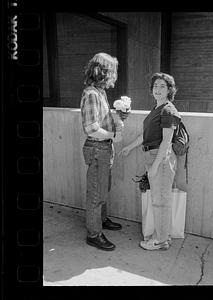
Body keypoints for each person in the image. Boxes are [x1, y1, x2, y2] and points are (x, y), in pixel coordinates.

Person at [119, 72, 181, 251]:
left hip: (160, 159)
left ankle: (161, 241)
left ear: (170, 89)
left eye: (162, 86)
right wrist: (130, 147)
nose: (158, 89)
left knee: (160, 201)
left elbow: (166, 141)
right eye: (155, 86)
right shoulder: (157, 108)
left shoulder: (168, 110)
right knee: (159, 200)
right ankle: (164, 237)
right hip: (153, 157)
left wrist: (154, 167)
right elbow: (145, 135)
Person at [80, 53, 124, 251]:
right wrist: (113, 136)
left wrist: (120, 116)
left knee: (103, 189)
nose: (114, 75)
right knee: (96, 193)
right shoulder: (90, 93)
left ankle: (101, 220)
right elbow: (90, 128)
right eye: (112, 71)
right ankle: (94, 234)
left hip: (105, 148)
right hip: (98, 148)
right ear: (103, 72)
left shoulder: (101, 92)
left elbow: (103, 122)